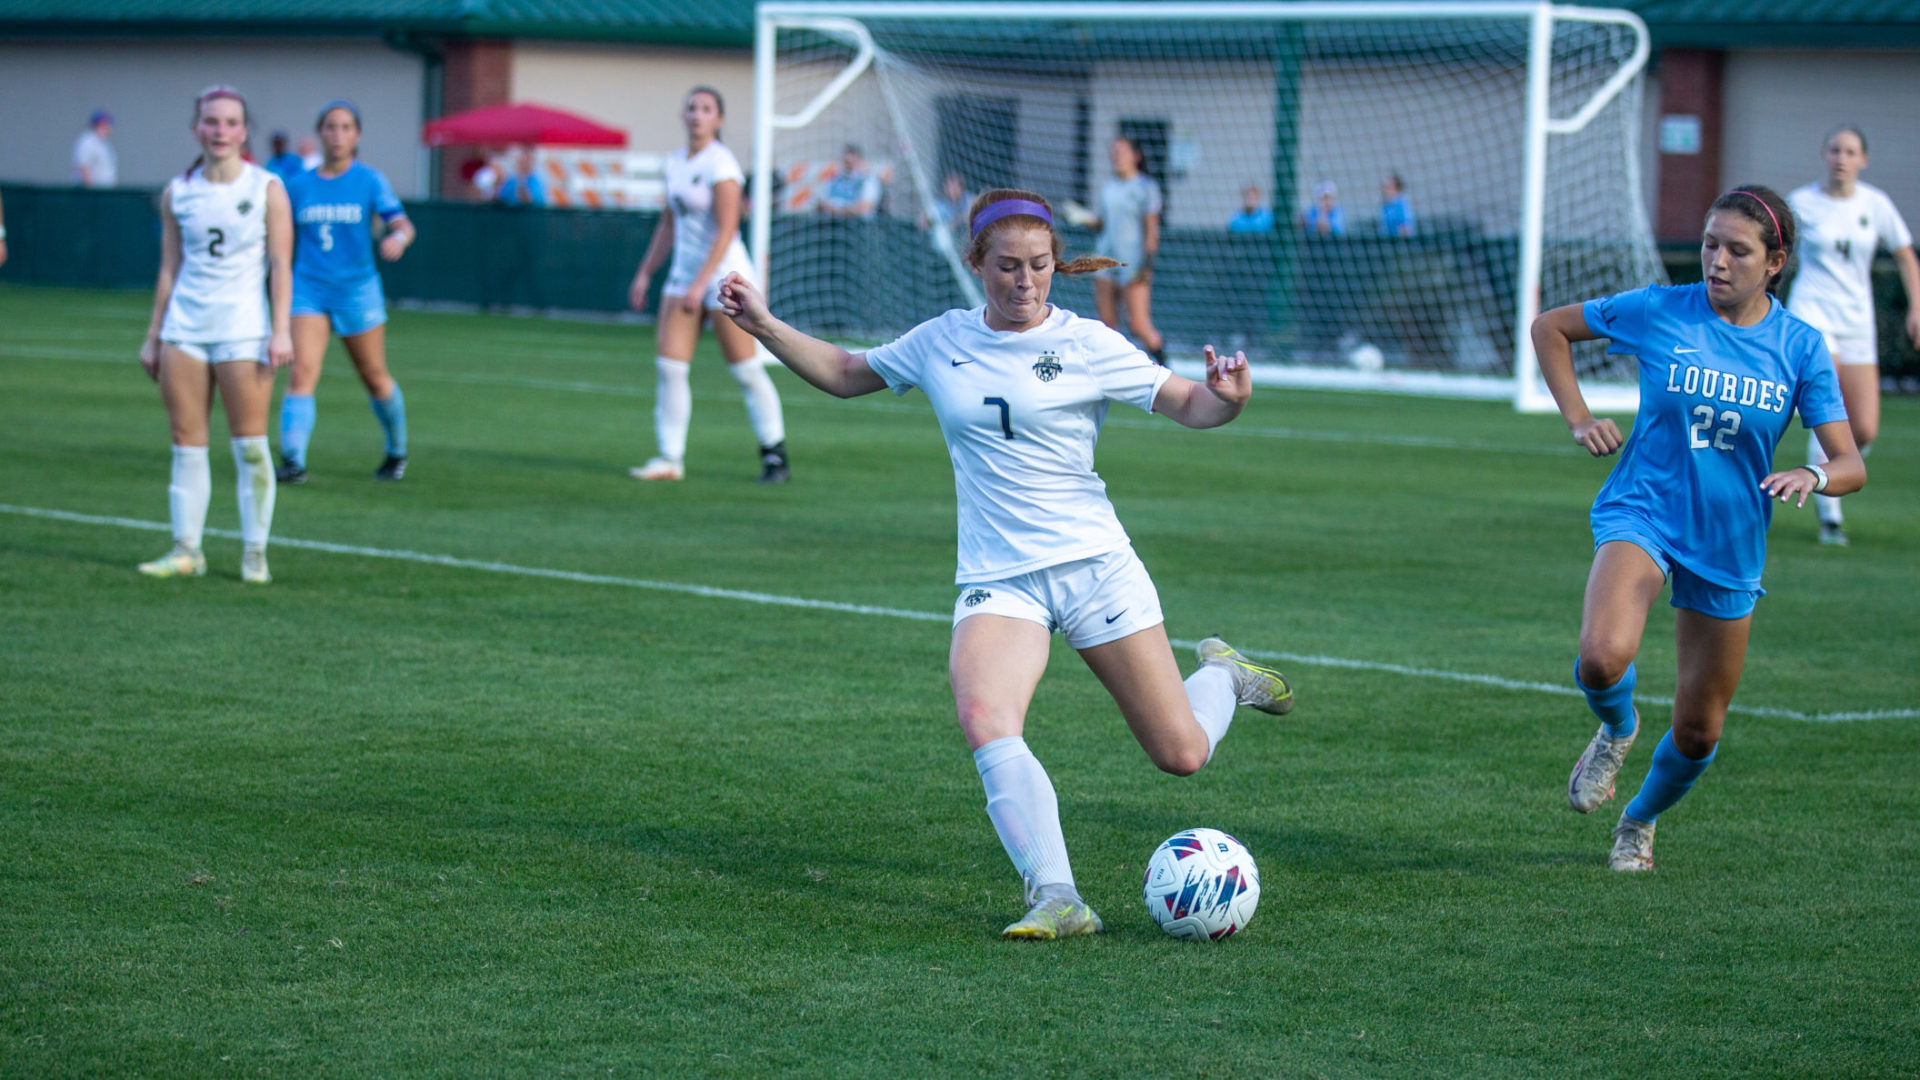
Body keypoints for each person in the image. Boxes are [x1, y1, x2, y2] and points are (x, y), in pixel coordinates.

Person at [716, 188, 1296, 938]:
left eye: (1041, 267)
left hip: (1095, 568)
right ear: (976, 264)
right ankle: (1057, 896)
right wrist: (762, 324)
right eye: (1008, 268)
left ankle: (1223, 674)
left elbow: (1190, 403)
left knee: (1181, 753)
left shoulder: (1087, 342)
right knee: (985, 714)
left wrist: (1231, 398)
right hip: (1000, 579)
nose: (1025, 283)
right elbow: (845, 371)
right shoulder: (939, 340)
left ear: (1059, 264)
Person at [1532, 185, 1863, 872]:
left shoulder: (1800, 348)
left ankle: (1639, 820)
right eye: (1710, 244)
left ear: (1775, 263)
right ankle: (1617, 730)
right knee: (1601, 656)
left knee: (1699, 727)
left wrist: (1816, 477)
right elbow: (1550, 329)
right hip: (1644, 509)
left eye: (1737, 251)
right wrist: (1579, 418)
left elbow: (1849, 461)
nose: (1717, 261)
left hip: (1729, 537)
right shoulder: (1661, 309)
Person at [136, 86, 294, 584]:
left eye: (230, 123)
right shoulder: (177, 192)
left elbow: (281, 264)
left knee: (249, 444)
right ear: (195, 129)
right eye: (211, 122)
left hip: (244, 330)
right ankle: (187, 550)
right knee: (187, 442)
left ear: (244, 131)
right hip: (185, 329)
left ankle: (254, 554)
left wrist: (282, 329)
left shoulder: (266, 186)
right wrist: (154, 335)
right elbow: (169, 268)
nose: (220, 131)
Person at [626, 86, 788, 484]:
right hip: (683, 277)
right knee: (669, 368)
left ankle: (774, 455)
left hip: (724, 276)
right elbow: (668, 223)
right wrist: (646, 272)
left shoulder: (722, 164)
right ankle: (670, 458)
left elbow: (728, 227)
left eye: (706, 109)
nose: (697, 115)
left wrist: (703, 285)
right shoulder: (676, 162)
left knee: (746, 369)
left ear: (719, 119)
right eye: (692, 108)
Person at [1786, 125, 1920, 546]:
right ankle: (1829, 512)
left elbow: (1904, 253)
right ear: (1823, 155)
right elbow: (1773, 253)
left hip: (1857, 321)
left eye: (1850, 151)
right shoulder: (1801, 203)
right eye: (1835, 150)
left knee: (1863, 428)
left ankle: (1822, 471)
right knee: (1829, 407)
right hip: (1812, 316)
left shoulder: (1875, 203)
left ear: (1863, 160)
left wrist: (1917, 306)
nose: (1841, 158)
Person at [276, 100, 417, 485]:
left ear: (357, 135)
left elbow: (402, 223)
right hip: (309, 289)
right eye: (330, 127)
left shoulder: (370, 180)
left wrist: (399, 238)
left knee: (373, 375)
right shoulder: (299, 185)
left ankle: (396, 451)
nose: (337, 135)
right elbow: (277, 236)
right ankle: (293, 460)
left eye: (345, 127)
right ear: (320, 133)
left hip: (357, 291)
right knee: (301, 372)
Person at [1083, 136, 1167, 364]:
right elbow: (1103, 223)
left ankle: (1165, 368)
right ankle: (1113, 373)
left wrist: (1147, 265)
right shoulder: (1109, 187)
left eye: (1121, 151)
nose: (1116, 156)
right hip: (1104, 259)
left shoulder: (1145, 187)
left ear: (1135, 156)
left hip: (1133, 262)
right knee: (1107, 325)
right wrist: (1086, 219)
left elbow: (1151, 228)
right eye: (1114, 152)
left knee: (1139, 325)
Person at [818, 144, 880, 219]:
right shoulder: (834, 178)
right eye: (846, 162)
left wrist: (841, 211)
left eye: (852, 162)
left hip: (856, 224)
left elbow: (865, 207)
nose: (848, 165)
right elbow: (822, 201)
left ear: (859, 160)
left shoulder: (868, 180)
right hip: (832, 222)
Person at [74, 109, 116, 188]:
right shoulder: (87, 142)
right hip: (91, 194)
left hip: (104, 192)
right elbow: (83, 167)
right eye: (107, 123)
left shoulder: (104, 144)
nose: (110, 127)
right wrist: (92, 192)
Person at [1379, 173, 1416, 238]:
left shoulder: (1402, 206)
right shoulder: (1386, 206)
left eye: (1389, 185)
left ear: (1396, 187)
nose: (1385, 188)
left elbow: (1407, 229)